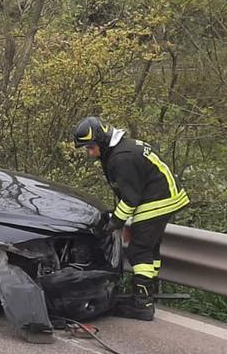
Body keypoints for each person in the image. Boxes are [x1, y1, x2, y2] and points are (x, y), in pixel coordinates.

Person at [73, 116, 189, 321]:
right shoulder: (121, 150)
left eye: (91, 147)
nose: (90, 153)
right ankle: (145, 295)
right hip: (163, 196)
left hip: (158, 199)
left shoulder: (121, 158)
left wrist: (114, 223)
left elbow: (130, 199)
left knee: (139, 249)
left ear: (101, 140)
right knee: (149, 248)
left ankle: (142, 304)